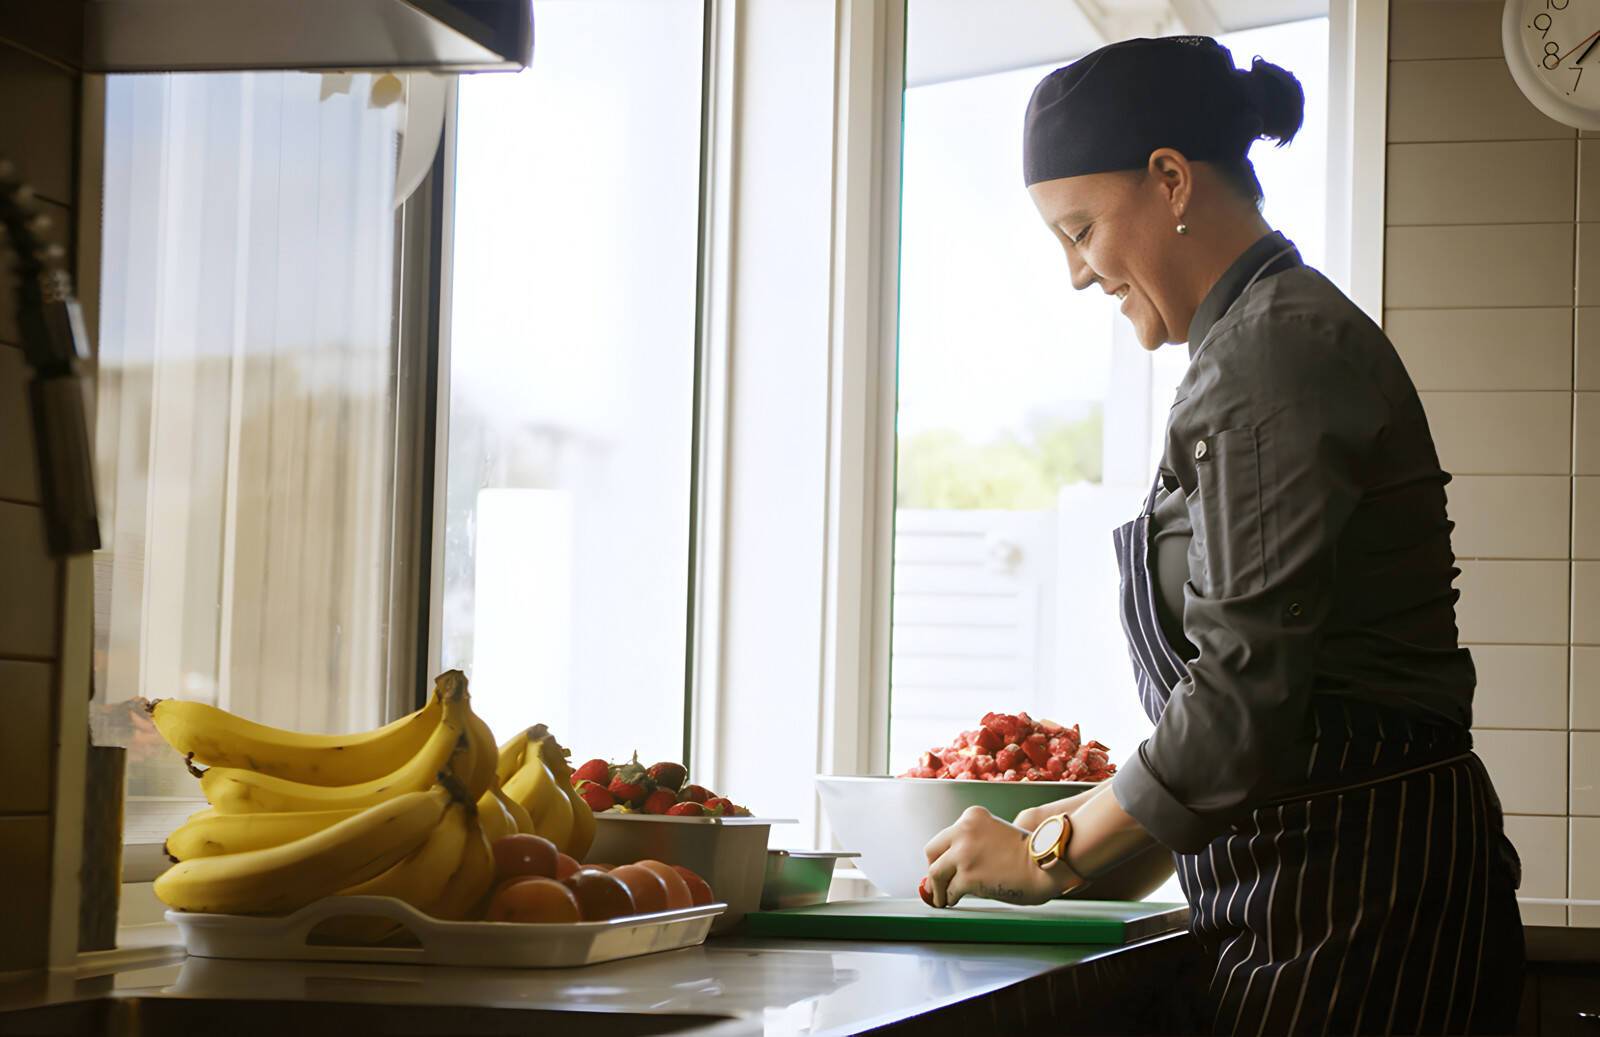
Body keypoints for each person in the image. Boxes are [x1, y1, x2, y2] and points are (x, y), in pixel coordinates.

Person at [919, 36, 1525, 1036]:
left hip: (1360, 910)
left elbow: (1243, 689)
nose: (1074, 274)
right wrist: (1102, 826)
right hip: (1311, 895)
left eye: (1079, 229)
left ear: (1169, 180)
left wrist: (1053, 850)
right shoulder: (1252, 344)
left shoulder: (1272, 353)